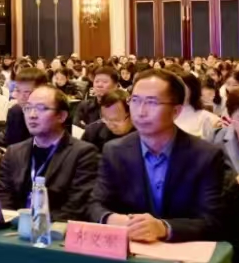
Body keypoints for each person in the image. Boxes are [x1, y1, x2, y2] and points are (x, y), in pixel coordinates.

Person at [89, 69, 228, 243]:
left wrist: (164, 228)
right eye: (135, 100)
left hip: (181, 252)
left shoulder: (205, 155)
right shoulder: (115, 151)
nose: (140, 111)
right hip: (131, 249)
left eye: (152, 103)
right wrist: (116, 220)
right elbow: (94, 205)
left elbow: (212, 222)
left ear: (176, 111)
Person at [0, 85, 98, 221]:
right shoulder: (14, 152)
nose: (32, 115)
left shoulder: (83, 154)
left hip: (56, 228)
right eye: (28, 108)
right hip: (15, 226)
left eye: (41, 108)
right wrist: (14, 220)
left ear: (61, 116)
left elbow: (76, 207)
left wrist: (37, 223)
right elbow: (3, 196)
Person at [1, 68, 47, 147]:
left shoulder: (50, 114)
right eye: (18, 91)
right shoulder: (15, 112)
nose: (21, 97)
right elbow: (12, 146)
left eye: (27, 92)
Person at [174, 72, 222, 138]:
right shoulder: (165, 114)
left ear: (192, 89)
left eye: (181, 87)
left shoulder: (208, 119)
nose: (177, 91)